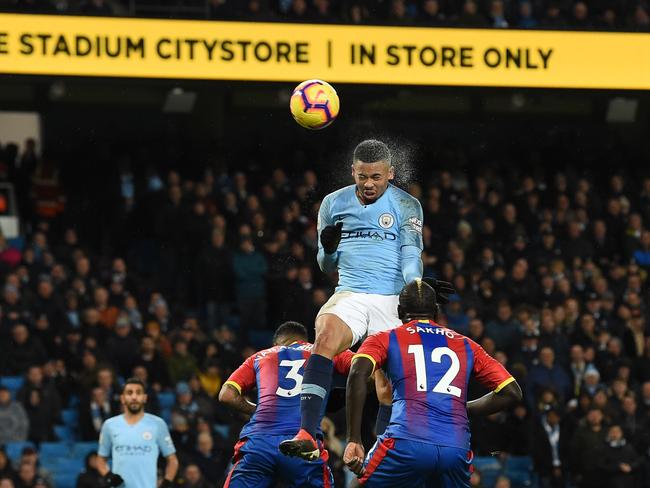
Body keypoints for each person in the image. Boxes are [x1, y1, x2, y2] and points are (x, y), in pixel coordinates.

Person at [281, 139, 439, 459]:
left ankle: (384, 457)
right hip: (351, 292)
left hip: (391, 297)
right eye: (362, 176)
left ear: (390, 174)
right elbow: (327, 267)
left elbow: (411, 254)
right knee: (324, 337)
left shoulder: (407, 205)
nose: (369, 184)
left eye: (376, 178)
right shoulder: (332, 203)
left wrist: (416, 284)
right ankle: (307, 433)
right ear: (353, 171)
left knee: (386, 388)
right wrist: (328, 248)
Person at [343, 280, 522, 487]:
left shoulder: (385, 338)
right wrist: (462, 409)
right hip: (455, 449)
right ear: (436, 311)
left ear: (400, 311)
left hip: (406, 442)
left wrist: (354, 438)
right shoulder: (467, 344)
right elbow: (512, 392)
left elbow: (357, 374)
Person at [218, 321, 354, 487]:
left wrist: (258, 410)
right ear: (305, 340)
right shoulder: (323, 350)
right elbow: (364, 368)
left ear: (276, 343)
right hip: (302, 443)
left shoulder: (260, 356)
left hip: (259, 442)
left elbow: (226, 395)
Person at [97, 378, 179, 488]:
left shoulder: (158, 424)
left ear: (144, 398)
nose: (134, 397)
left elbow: (172, 460)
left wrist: (166, 483)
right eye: (129, 393)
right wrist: (108, 475)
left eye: (138, 393)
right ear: (122, 398)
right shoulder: (110, 425)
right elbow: (100, 459)